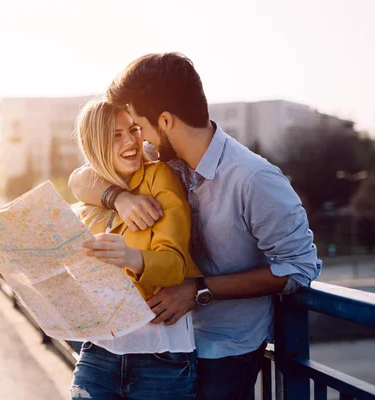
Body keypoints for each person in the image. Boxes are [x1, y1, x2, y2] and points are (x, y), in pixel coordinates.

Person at [69, 53, 322, 400]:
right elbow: (82, 176)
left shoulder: (255, 180)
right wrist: (117, 197)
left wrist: (199, 289)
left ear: (166, 121)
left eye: (138, 126)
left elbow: (299, 268)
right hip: (164, 347)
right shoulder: (165, 160)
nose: (136, 139)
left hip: (224, 350)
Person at [69, 98, 200, 399]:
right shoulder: (89, 198)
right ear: (95, 145)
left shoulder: (159, 177)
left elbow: (176, 265)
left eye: (133, 129)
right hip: (98, 352)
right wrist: (13, 268)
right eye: (115, 135)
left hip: (160, 358)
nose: (130, 141)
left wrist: (131, 258)